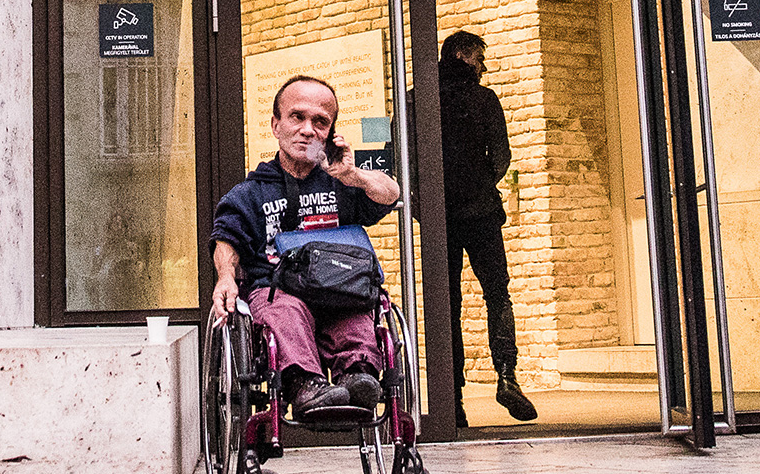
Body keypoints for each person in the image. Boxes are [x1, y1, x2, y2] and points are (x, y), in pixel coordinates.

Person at [211, 74, 402, 422]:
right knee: (286, 311)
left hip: (337, 288)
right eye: (297, 117)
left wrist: (352, 176)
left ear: (330, 132)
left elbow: (391, 194)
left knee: (356, 312)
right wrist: (226, 278)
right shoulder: (249, 193)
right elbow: (227, 241)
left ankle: (357, 377)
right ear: (276, 125)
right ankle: (305, 385)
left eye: (320, 122)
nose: (307, 129)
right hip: (277, 292)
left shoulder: (341, 182)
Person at [432, 32, 534, 424]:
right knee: (498, 295)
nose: (482, 65)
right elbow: (502, 157)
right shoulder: (485, 100)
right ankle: (507, 378)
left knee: (447, 305)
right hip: (481, 213)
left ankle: (452, 397)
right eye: (478, 56)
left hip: (442, 218)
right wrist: (479, 187)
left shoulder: (416, 98)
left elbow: (405, 160)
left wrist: (431, 204)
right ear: (461, 54)